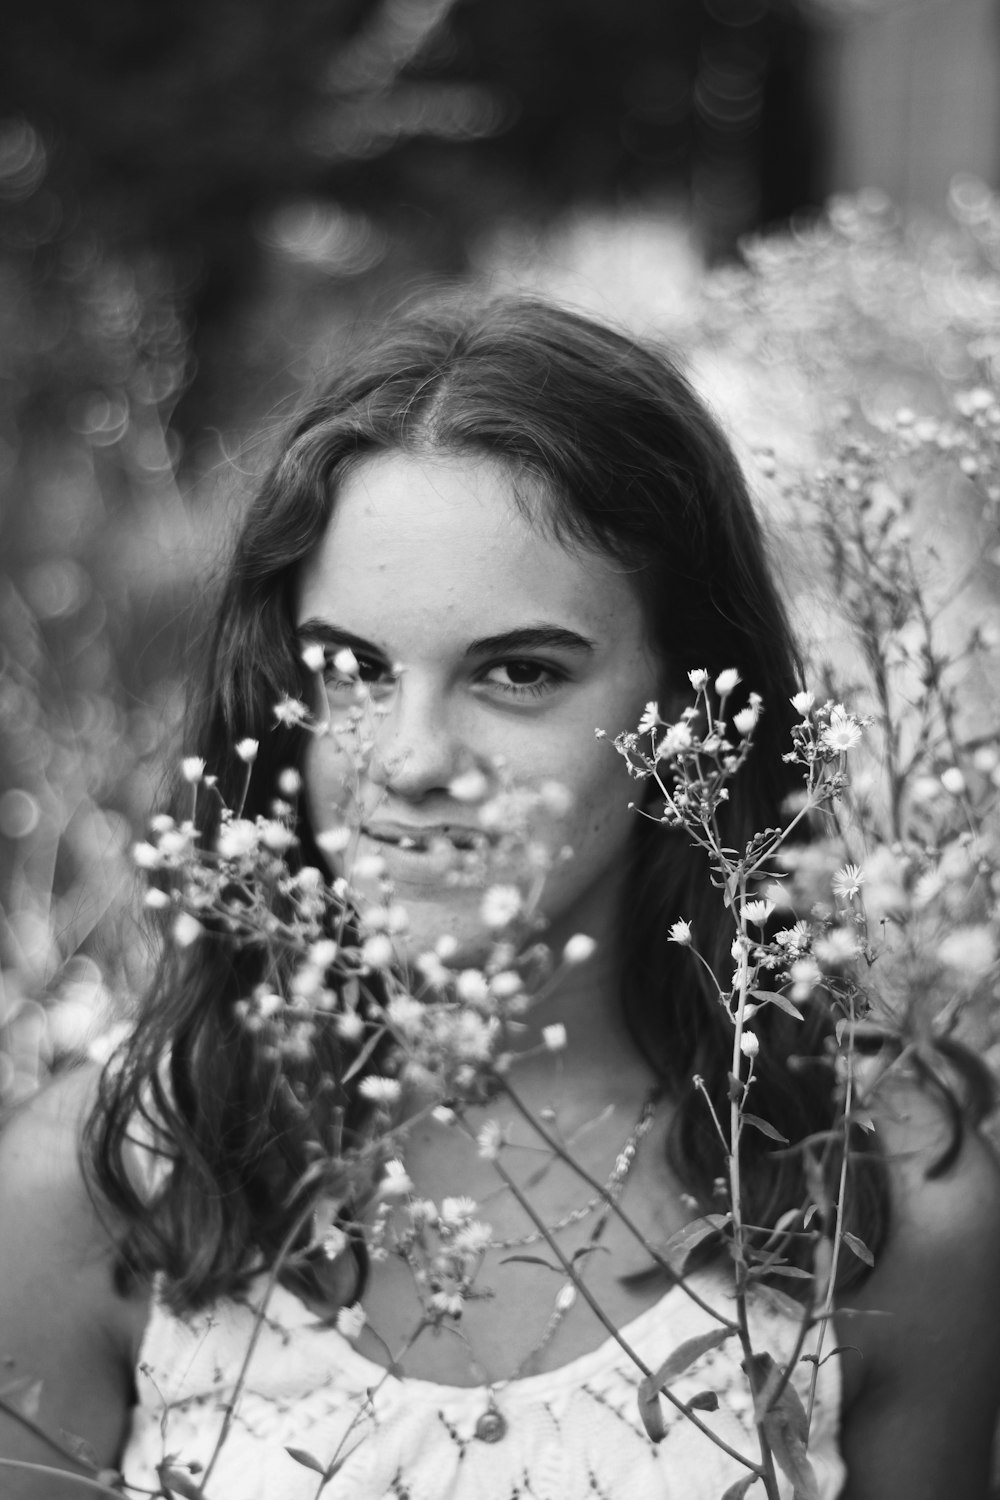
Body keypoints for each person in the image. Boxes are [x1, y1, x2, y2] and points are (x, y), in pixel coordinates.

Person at [1, 295, 999, 1500]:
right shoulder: (109, 1176)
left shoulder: (882, 1197)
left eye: (518, 672)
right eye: (353, 670)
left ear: (687, 709)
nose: (411, 761)